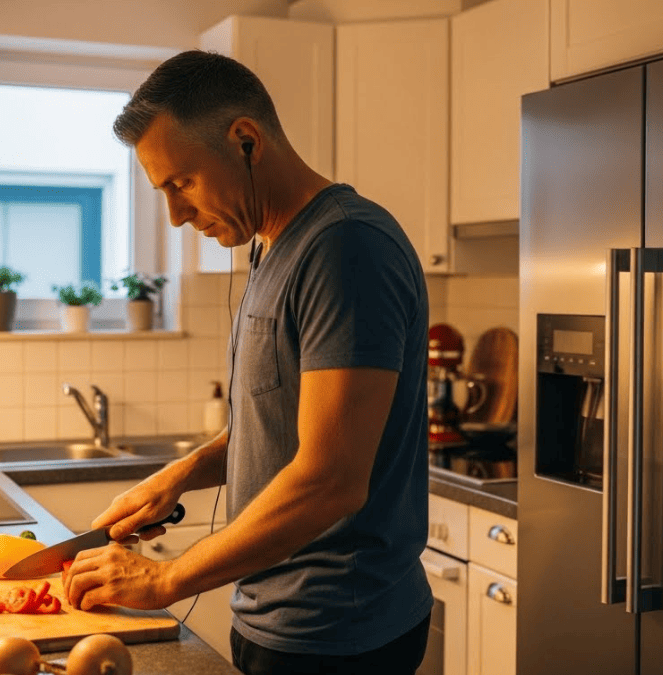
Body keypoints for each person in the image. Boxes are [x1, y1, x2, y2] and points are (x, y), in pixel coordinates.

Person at [60, 50, 432, 674]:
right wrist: (181, 474)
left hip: (339, 634)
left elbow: (329, 478)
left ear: (245, 141)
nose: (176, 215)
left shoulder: (346, 247)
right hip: (276, 615)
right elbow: (281, 424)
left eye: (181, 183)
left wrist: (165, 580)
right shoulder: (271, 245)